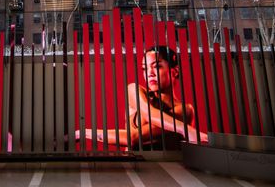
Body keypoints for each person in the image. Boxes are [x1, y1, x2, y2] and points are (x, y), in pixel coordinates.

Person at [75, 46, 208, 150]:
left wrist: (83, 133)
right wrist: (186, 129)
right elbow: (148, 113)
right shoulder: (134, 90)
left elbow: (132, 138)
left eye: (156, 66)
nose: (150, 73)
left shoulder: (184, 110)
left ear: (175, 71)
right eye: (145, 69)